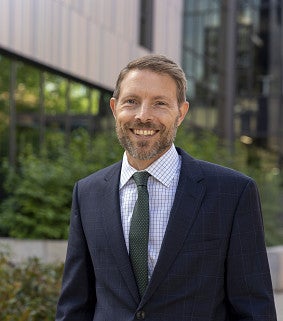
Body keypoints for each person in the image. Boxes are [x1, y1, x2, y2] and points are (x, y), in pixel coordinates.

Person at [55, 54, 277, 320]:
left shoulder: (233, 193)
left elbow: (254, 310)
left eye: (160, 103)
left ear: (180, 113)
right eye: (131, 101)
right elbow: (74, 306)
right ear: (114, 108)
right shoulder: (87, 192)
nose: (143, 116)